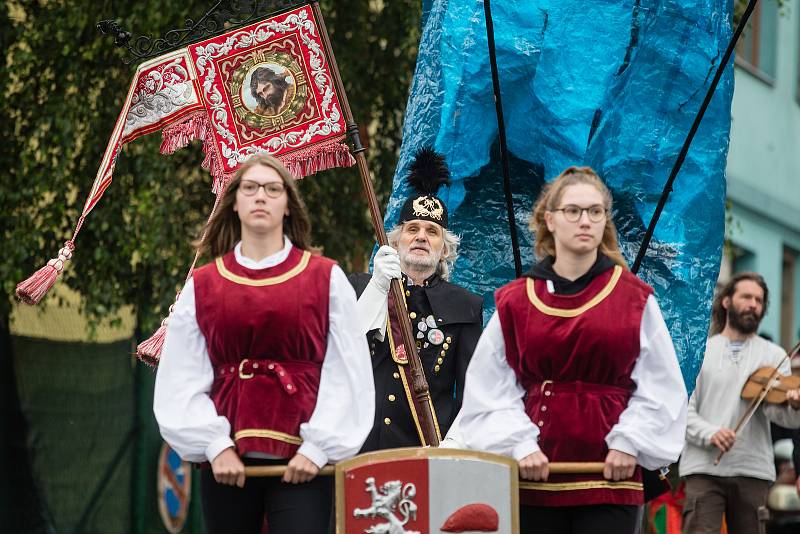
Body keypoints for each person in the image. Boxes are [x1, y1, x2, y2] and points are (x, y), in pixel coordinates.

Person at [456, 166, 688, 533]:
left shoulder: (634, 299)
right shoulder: (516, 301)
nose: (586, 221)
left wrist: (630, 444)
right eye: (574, 211)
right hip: (536, 478)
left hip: (611, 479)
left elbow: (662, 387)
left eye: (596, 211)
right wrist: (519, 446)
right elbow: (489, 389)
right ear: (549, 219)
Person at [152, 154, 374, 534]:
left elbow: (345, 370)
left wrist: (318, 449)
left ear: (287, 204)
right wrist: (215, 446)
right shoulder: (204, 285)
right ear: (234, 201)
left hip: (304, 461)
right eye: (249, 188)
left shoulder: (326, 278)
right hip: (226, 462)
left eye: (272, 189)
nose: (260, 197)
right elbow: (183, 376)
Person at [349, 147, 483, 451]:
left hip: (427, 450)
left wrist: (455, 444)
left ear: (445, 250)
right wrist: (378, 287)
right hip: (361, 451)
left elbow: (474, 390)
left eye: (432, 232)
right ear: (396, 241)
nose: (421, 236)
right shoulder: (361, 289)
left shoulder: (465, 306)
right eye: (412, 229)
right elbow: (343, 351)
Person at [679, 272, 800, 534]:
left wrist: (794, 406)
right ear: (726, 301)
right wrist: (710, 433)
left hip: (753, 469)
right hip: (703, 467)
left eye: (759, 300)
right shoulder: (702, 351)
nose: (753, 304)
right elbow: (682, 410)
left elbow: (781, 418)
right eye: (746, 296)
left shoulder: (775, 356)